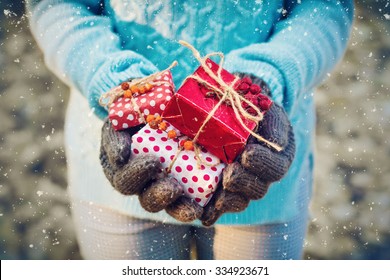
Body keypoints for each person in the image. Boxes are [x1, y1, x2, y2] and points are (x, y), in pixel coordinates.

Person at [26, 0, 354, 260]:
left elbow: (324, 6)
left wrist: (269, 77)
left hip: (260, 167)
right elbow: (59, 5)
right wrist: (113, 80)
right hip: (122, 171)